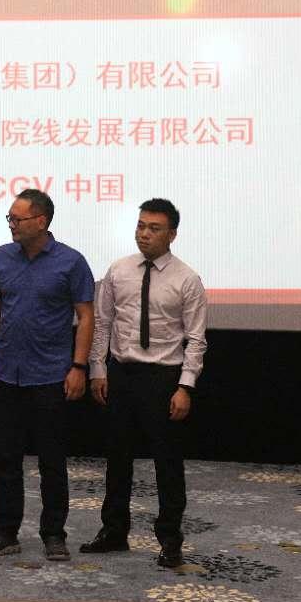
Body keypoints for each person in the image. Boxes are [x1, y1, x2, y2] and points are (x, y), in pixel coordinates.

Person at [81, 198, 208, 569]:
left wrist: (185, 386)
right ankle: (114, 531)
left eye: (154, 228)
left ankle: (170, 539)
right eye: (140, 226)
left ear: (172, 234)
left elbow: (196, 339)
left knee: (167, 464)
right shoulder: (118, 270)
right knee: (117, 458)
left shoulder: (187, 279)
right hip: (121, 374)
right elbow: (103, 323)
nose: (144, 234)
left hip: (163, 378)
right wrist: (97, 370)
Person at [0, 188, 95, 562]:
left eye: (17, 218)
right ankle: (5, 532)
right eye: (9, 218)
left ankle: (53, 533)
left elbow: (86, 316)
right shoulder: (2, 256)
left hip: (51, 375)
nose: (11, 224)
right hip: (6, 374)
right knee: (6, 459)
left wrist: (79, 366)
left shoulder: (71, 261)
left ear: (41, 221)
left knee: (52, 461)